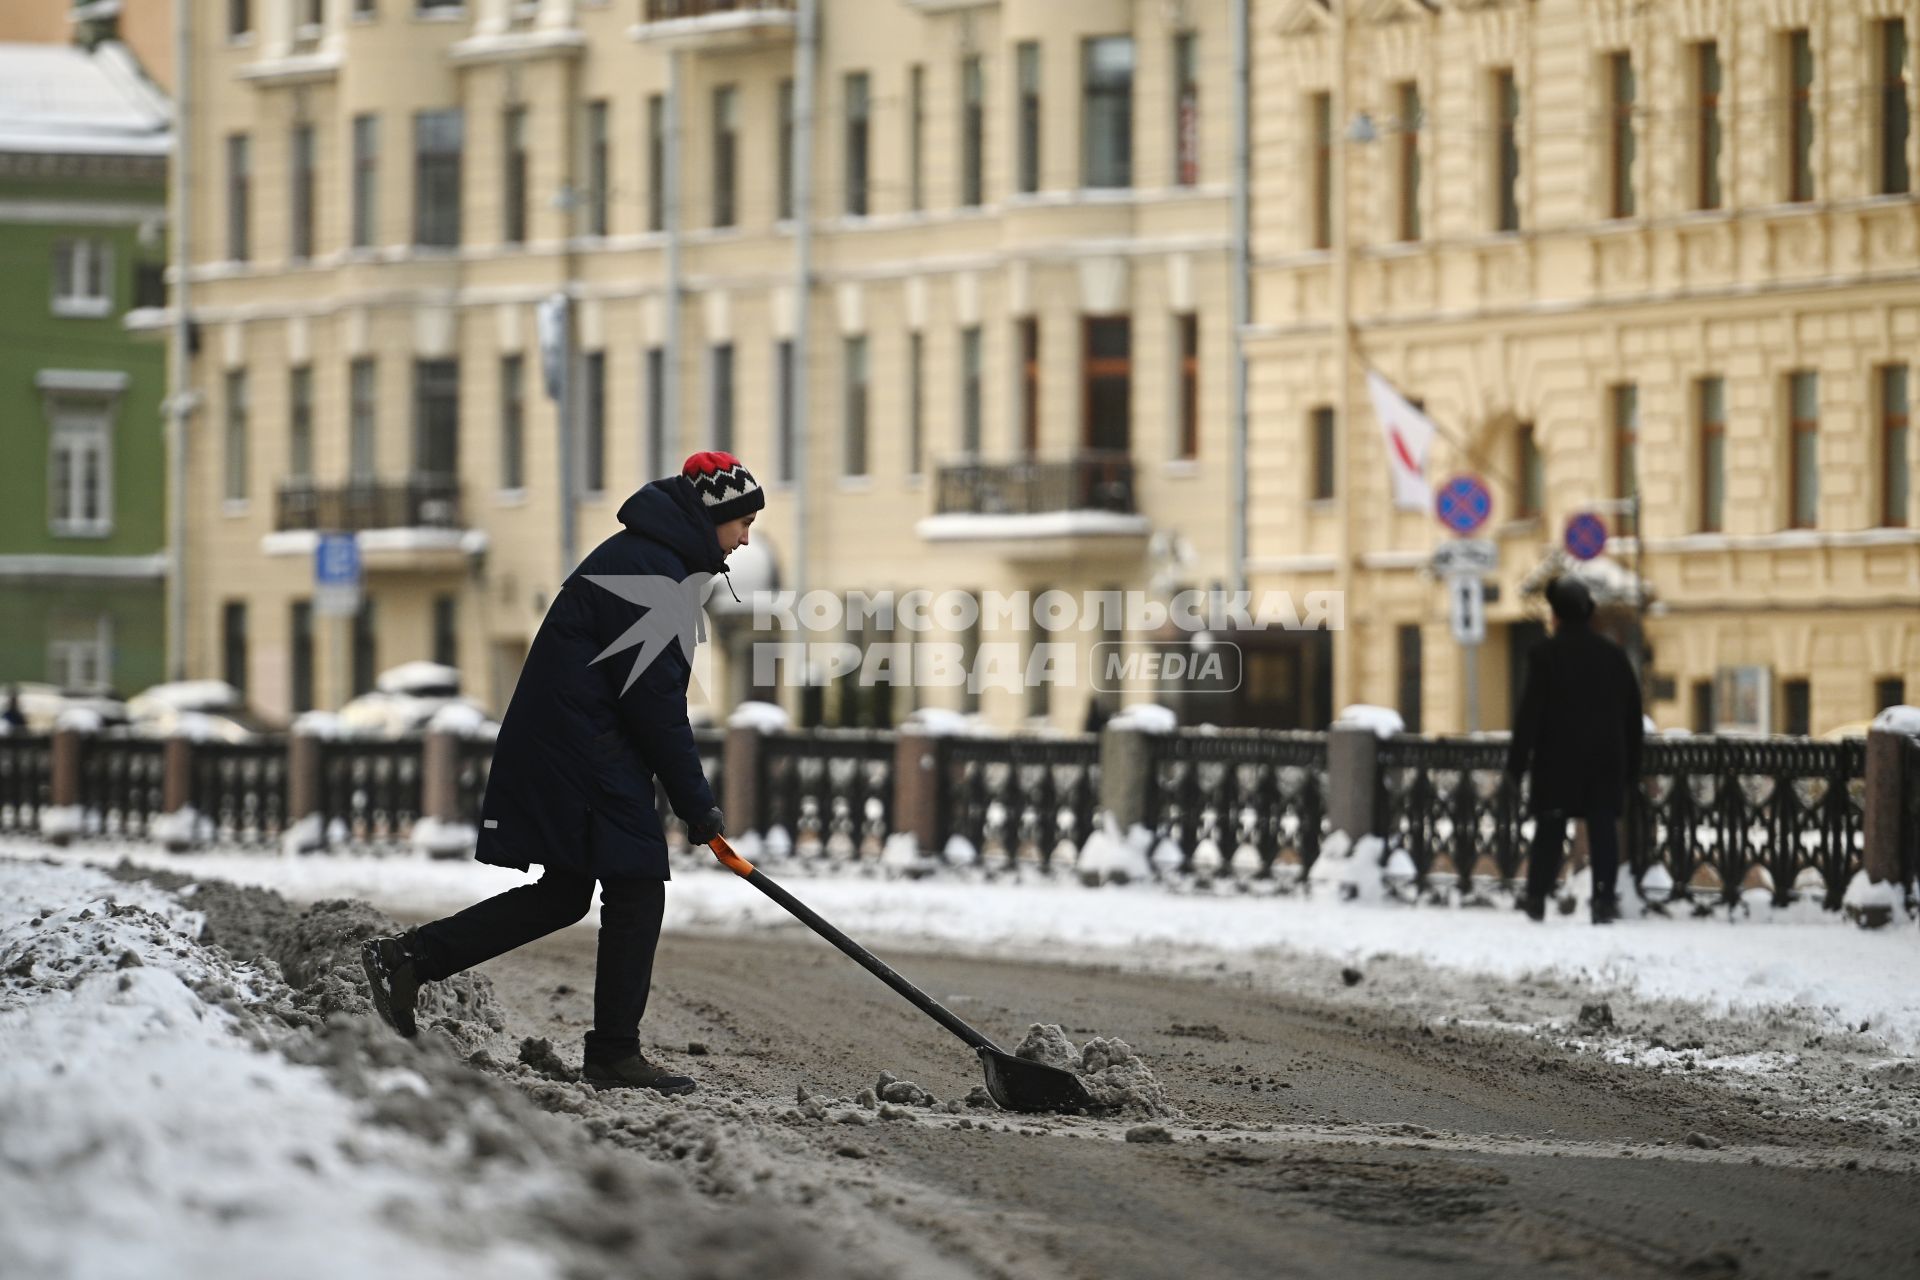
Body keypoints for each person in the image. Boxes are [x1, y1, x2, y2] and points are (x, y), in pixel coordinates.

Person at [361, 451, 765, 1093]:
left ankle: (408, 959)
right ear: (708, 516)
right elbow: (656, 707)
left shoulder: (652, 561)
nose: (746, 537)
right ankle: (612, 1054)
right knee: (635, 884)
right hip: (584, 751)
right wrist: (698, 805)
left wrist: (689, 803)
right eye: (741, 521)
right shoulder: (652, 574)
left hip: (576, 744)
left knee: (566, 893)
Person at [1505, 576, 1644, 925]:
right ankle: (1602, 899)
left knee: (1550, 830)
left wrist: (1516, 765)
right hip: (1604, 761)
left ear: (1556, 616)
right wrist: (1633, 767)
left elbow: (1530, 715)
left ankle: (1537, 898)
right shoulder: (1613, 656)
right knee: (1602, 830)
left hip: (1557, 762)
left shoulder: (1544, 655)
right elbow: (1632, 716)